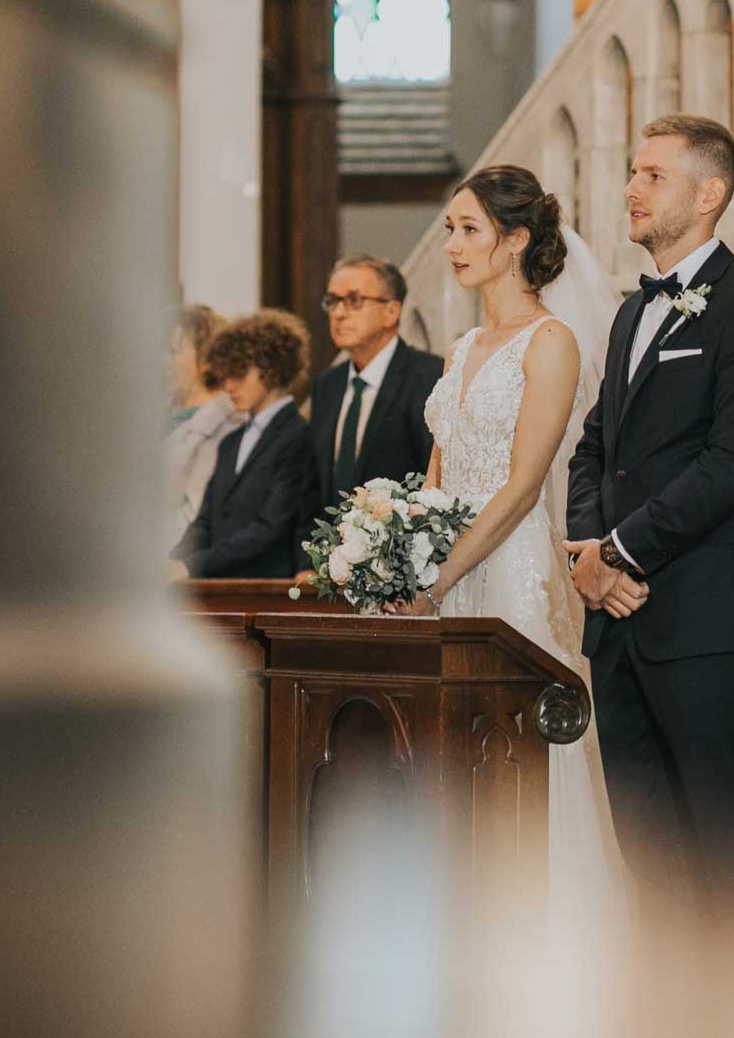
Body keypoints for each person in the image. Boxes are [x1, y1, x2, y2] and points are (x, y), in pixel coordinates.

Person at [564, 114, 734, 907]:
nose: (631, 189)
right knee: (654, 870)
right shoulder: (631, 313)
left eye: (652, 176)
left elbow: (733, 465)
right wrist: (588, 554)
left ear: (710, 193)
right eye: (632, 173)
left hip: (705, 628)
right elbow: (594, 449)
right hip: (619, 629)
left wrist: (620, 552)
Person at [396, 163, 626, 932]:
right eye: (452, 227)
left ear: (517, 239)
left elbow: (526, 483)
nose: (452, 244)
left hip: (510, 570)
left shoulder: (550, 342)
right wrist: (407, 554)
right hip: (446, 571)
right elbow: (439, 464)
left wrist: (441, 572)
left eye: (469, 229)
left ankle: (546, 934)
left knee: (521, 746)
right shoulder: (462, 346)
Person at [176, 310, 319, 579]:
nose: (228, 386)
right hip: (219, 586)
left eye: (239, 373)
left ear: (271, 368)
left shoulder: (299, 436)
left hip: (266, 588)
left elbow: (271, 527)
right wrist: (171, 560)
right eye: (225, 374)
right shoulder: (231, 442)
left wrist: (190, 565)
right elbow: (204, 522)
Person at [309, 254, 444, 514]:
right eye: (333, 301)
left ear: (391, 312)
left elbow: (436, 482)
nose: (338, 313)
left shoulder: (428, 376)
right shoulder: (327, 385)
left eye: (354, 301)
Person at [161, 304, 243, 562]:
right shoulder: (158, 411)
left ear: (207, 359)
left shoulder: (226, 425)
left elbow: (194, 515)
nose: (163, 359)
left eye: (173, 350)